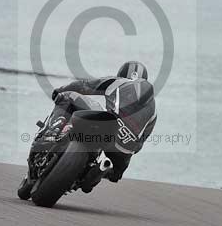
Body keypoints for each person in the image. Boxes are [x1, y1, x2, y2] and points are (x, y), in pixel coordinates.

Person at [19, 61, 157, 192]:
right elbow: (140, 143)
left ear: (121, 74)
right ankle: (98, 171)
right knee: (114, 174)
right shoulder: (154, 112)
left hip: (108, 123)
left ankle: (51, 133)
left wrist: (59, 91)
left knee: (68, 96)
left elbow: (84, 86)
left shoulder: (117, 82)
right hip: (125, 149)